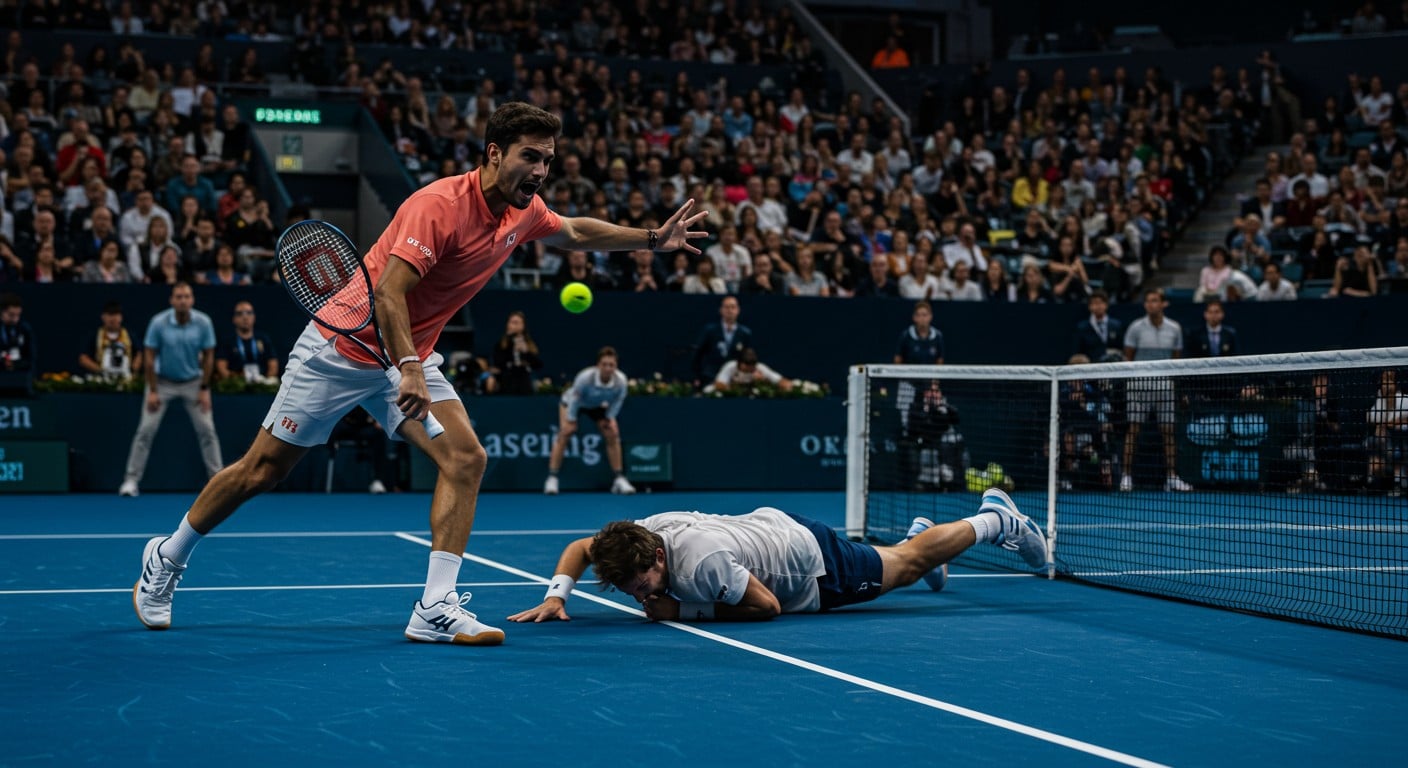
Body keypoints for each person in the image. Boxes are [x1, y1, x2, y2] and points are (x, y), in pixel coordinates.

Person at [131, 102, 708, 646]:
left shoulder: (523, 212)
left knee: (466, 458)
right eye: (530, 156)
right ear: (493, 153)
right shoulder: (438, 206)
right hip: (342, 349)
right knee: (262, 471)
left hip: (408, 355)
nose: (541, 169)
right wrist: (407, 366)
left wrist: (654, 240)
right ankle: (168, 555)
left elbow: (577, 231)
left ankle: (434, 607)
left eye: (548, 159)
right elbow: (389, 292)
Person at [505, 487, 1047, 623]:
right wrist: (558, 596)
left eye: (642, 584)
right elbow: (582, 547)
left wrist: (685, 610)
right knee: (907, 563)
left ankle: (995, 518)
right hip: (771, 528)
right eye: (630, 591)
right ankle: (921, 537)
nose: (638, 595)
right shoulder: (638, 535)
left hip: (809, 565)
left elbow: (765, 607)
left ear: (658, 559)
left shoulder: (700, 565)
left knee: (906, 568)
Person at [119, 282, 223, 497]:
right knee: (145, 431)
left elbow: (209, 356)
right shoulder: (158, 322)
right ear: (172, 300)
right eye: (179, 297)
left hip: (194, 383)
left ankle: (218, 481)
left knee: (207, 430)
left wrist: (204, 388)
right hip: (162, 382)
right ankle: (130, 481)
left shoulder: (204, 322)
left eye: (186, 296)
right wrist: (154, 390)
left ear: (192, 300)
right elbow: (149, 357)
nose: (183, 300)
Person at [1120, 289, 1193, 493]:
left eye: (1154, 300)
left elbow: (1176, 359)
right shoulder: (1135, 328)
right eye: (1148, 301)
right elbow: (1128, 357)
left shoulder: (1174, 328)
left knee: (1168, 432)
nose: (1150, 304)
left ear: (1163, 304)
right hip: (1139, 386)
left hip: (1164, 387)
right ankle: (1126, 477)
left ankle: (1171, 477)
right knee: (1133, 430)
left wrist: (1176, 386)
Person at [543, 347, 635, 496]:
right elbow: (574, 400)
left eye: (611, 365)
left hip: (598, 406)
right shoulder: (585, 377)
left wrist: (610, 418)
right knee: (565, 433)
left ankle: (619, 478)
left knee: (612, 433)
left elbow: (618, 402)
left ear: (615, 366)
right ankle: (552, 478)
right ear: (598, 365)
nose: (607, 368)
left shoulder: (621, 381)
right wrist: (571, 420)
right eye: (604, 364)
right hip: (573, 404)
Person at [692, 295, 753, 389]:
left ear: (738, 310)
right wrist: (697, 376)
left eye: (733, 307)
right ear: (721, 310)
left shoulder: (745, 333)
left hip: (734, 381)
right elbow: (697, 355)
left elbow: (747, 359)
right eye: (726, 307)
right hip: (710, 378)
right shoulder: (710, 331)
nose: (730, 310)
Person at [214, 300, 279, 382]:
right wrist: (237, 380)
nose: (245, 317)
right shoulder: (227, 341)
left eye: (249, 313)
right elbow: (221, 367)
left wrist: (265, 382)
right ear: (234, 319)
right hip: (235, 388)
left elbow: (273, 365)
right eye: (240, 314)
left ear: (254, 317)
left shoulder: (263, 339)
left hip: (262, 386)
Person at [78, 300, 139, 380]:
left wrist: (132, 369)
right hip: (101, 379)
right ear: (103, 317)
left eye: (116, 315)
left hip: (126, 378)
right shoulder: (95, 336)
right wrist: (100, 371)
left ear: (121, 317)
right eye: (109, 315)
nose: (113, 318)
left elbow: (139, 354)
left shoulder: (130, 336)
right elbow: (83, 358)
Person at [489, 311, 542, 395]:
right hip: (507, 380)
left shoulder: (529, 343)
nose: (514, 325)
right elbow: (498, 363)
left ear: (523, 325)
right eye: (512, 322)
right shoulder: (501, 344)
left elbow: (538, 364)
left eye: (517, 323)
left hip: (525, 380)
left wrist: (525, 352)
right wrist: (510, 345)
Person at [710, 347, 792, 394]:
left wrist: (762, 382)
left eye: (752, 366)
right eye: (746, 366)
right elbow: (719, 384)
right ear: (739, 362)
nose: (749, 369)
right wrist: (737, 389)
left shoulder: (760, 368)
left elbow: (783, 382)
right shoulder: (730, 366)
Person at [0, 293, 36, 396]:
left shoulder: (25, 329)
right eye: (11, 315)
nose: (15, 319)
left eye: (18, 315)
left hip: (19, 383)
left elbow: (30, 359)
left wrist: (15, 365)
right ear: (1, 312)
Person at [1072, 290, 1122, 361]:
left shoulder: (1116, 325)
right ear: (1089, 306)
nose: (1098, 306)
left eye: (1101, 303)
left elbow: (1121, 348)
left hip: (1112, 366)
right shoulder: (1082, 327)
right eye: (1095, 303)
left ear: (1106, 305)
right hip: (1090, 367)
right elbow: (1077, 352)